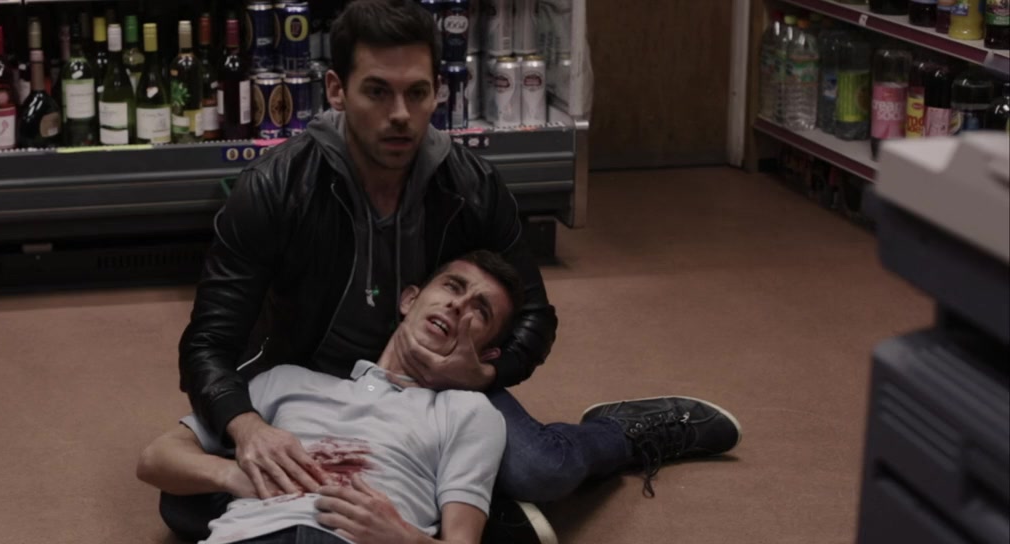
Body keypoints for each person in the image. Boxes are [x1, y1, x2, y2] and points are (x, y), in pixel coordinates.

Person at [170, 0, 742, 541]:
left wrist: (484, 374)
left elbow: (536, 316)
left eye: (417, 93)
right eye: (378, 92)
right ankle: (473, 509)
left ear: (437, 91)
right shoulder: (275, 188)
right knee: (183, 500)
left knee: (540, 469)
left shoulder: (471, 184)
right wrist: (247, 427)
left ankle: (622, 432)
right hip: (312, 382)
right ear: (337, 90)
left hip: (434, 388)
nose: (401, 115)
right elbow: (207, 343)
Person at [139, 252, 521, 543]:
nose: (458, 305)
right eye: (452, 286)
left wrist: (405, 538)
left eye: (480, 311)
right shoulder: (286, 380)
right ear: (409, 300)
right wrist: (232, 476)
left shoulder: (470, 412)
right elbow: (155, 459)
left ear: (487, 354)